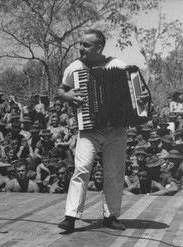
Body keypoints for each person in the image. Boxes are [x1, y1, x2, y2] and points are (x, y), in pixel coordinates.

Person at [57, 29, 128, 233]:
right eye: (80, 44)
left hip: (116, 129)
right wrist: (69, 96)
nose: (80, 48)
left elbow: (135, 91)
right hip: (89, 128)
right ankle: (70, 217)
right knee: (81, 168)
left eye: (86, 45)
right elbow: (61, 89)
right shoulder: (75, 67)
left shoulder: (119, 66)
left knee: (114, 173)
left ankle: (111, 215)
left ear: (99, 47)